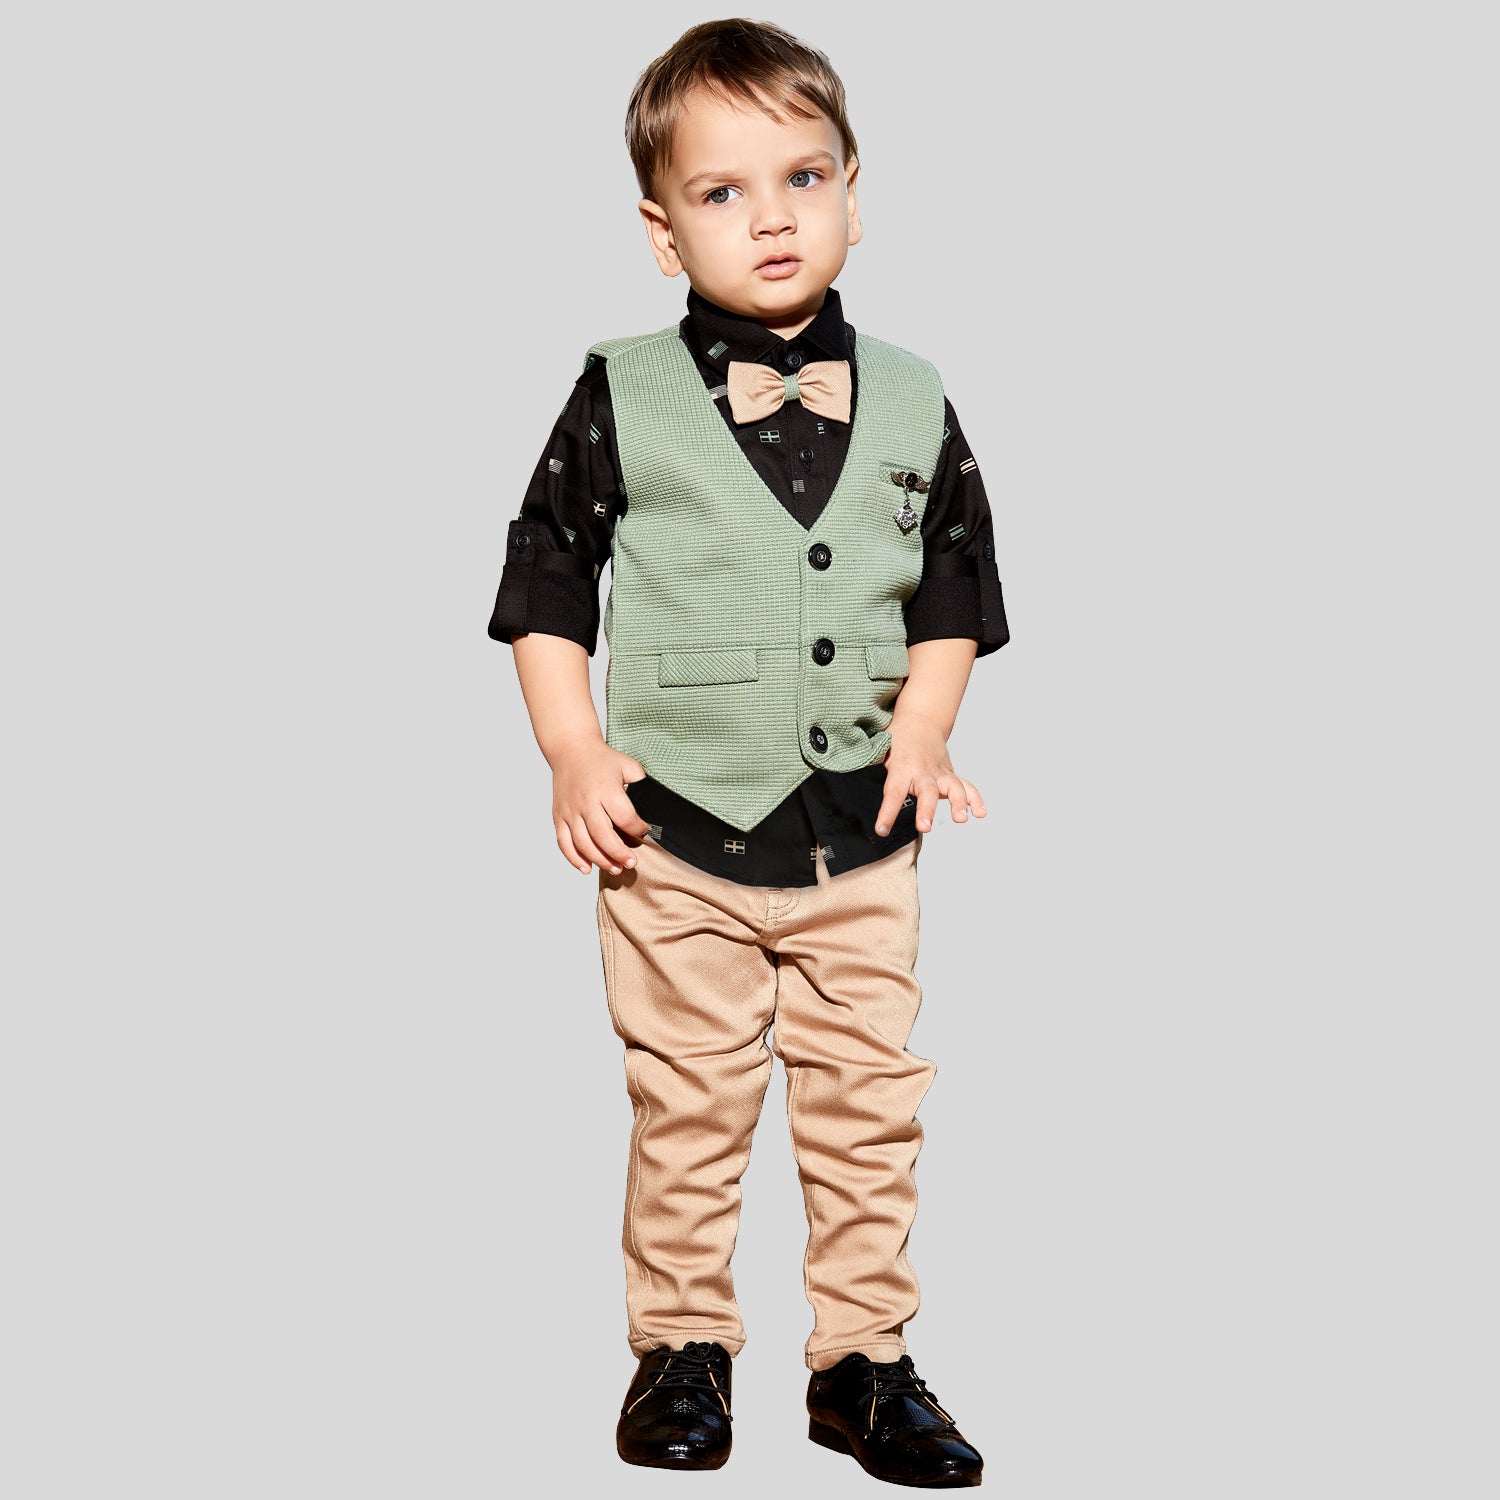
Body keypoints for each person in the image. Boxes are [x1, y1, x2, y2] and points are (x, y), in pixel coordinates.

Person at [487, 18, 1009, 1488]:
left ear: (856, 194)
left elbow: (954, 586)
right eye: (722, 192)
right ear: (662, 232)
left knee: (869, 1110)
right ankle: (680, 1350)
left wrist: (925, 728)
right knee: (689, 1106)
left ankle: (863, 1364)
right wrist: (572, 749)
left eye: (803, 176)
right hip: (675, 834)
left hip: (862, 837)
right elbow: (547, 581)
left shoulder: (915, 393)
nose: (772, 216)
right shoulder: (619, 393)